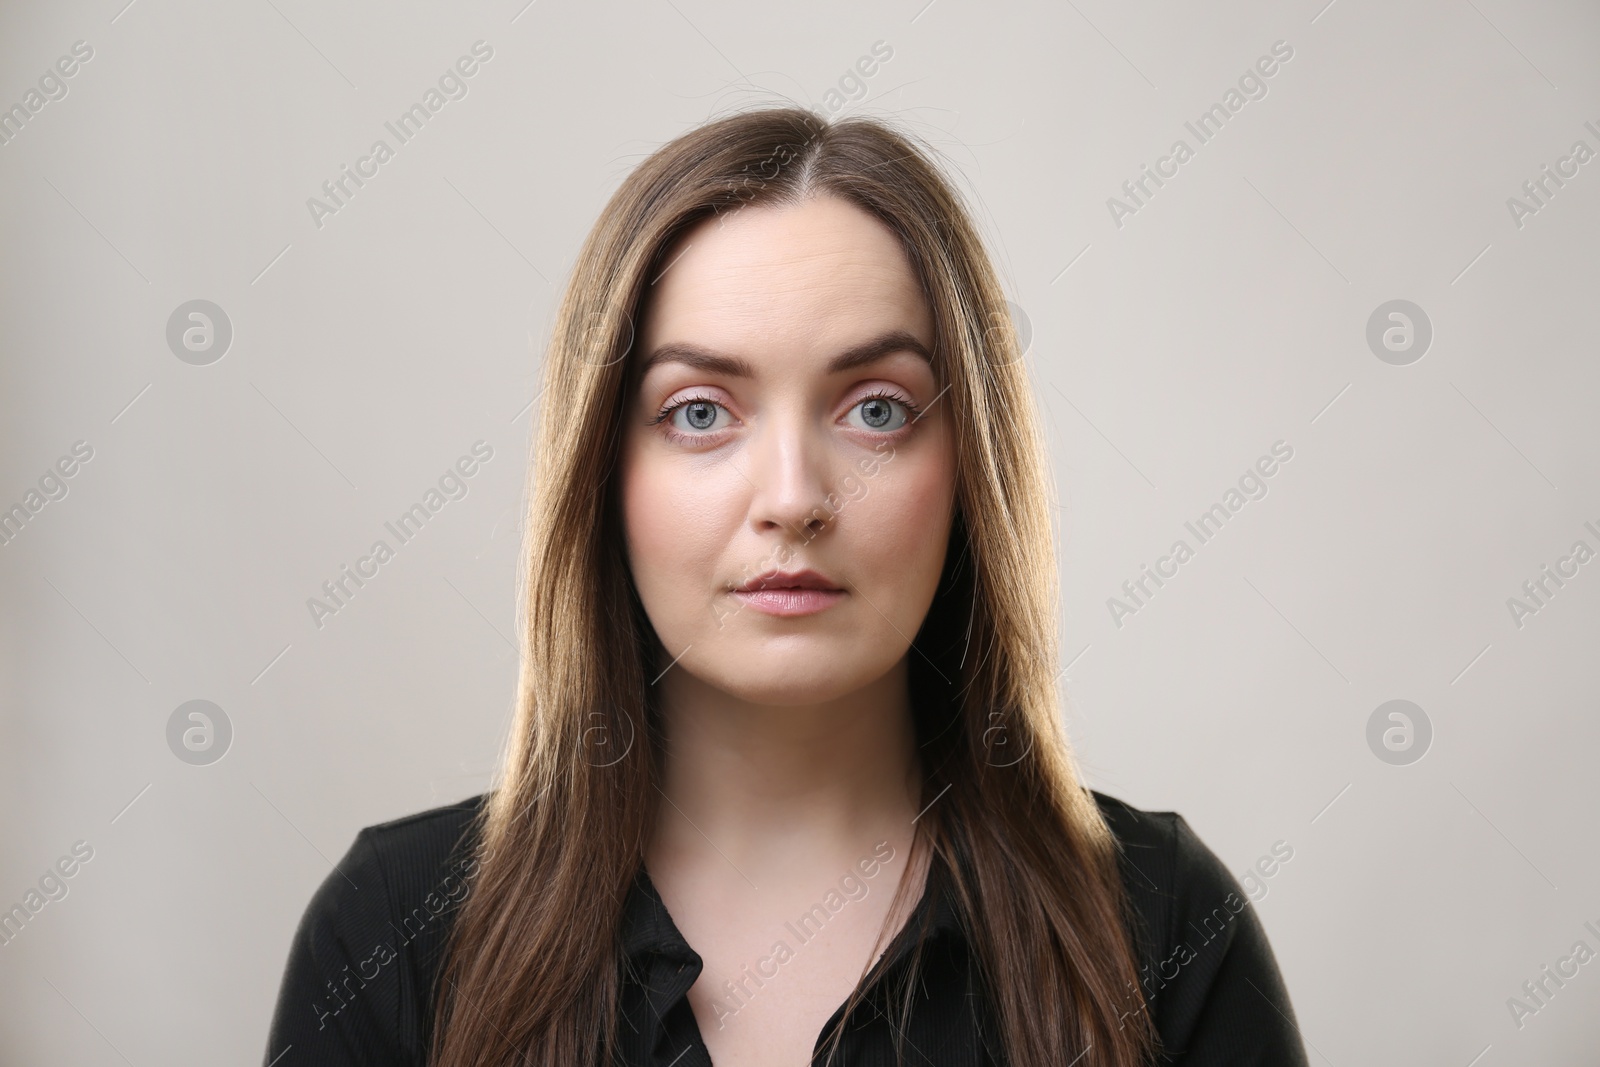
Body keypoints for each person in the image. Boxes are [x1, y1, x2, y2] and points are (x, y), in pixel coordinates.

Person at [263, 105, 1310, 1067]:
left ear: (969, 471)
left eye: (877, 410)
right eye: (701, 411)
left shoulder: (1163, 925)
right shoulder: (392, 932)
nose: (796, 497)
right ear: (603, 474)